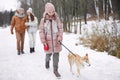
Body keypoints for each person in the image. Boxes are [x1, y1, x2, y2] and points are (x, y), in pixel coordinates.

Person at [39, 2, 63, 78]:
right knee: (48, 54)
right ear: (46, 12)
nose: (51, 13)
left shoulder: (57, 19)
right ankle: (47, 61)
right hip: (48, 42)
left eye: (53, 11)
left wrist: (60, 37)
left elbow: (60, 29)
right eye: (49, 12)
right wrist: (43, 41)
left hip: (56, 41)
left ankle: (55, 70)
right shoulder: (43, 20)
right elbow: (41, 31)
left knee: (56, 55)